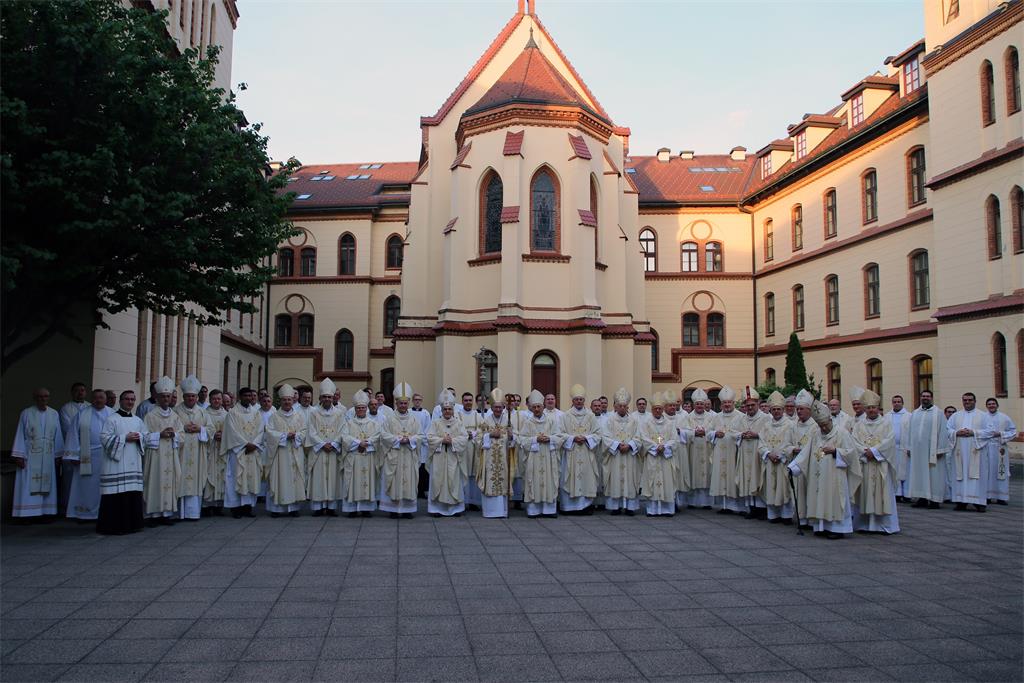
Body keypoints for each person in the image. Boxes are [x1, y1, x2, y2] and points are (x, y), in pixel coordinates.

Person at [788, 400, 862, 539]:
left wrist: (835, 451)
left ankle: (837, 529)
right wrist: (794, 468)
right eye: (820, 425)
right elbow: (806, 453)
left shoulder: (842, 433)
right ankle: (821, 527)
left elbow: (851, 453)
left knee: (834, 500)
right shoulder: (816, 434)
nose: (823, 428)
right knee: (819, 498)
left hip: (835, 476)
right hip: (818, 476)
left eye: (825, 424)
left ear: (830, 420)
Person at [11, 388, 65, 519]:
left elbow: (58, 435)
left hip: (48, 454)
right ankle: (27, 514)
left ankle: (46, 513)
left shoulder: (54, 413)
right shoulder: (26, 413)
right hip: (30, 454)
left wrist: (58, 454)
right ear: (35, 398)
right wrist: (19, 455)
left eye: (46, 396)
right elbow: (20, 433)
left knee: (48, 484)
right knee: (28, 484)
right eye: (40, 396)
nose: (43, 399)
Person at [97, 390, 146, 535]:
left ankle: (133, 525)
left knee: (132, 493)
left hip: (133, 463)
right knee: (116, 495)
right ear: (121, 401)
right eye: (127, 399)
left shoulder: (138, 420)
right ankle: (114, 526)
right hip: (116, 465)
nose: (130, 402)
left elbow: (146, 436)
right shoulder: (112, 419)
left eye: (132, 399)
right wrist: (125, 438)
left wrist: (140, 437)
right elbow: (104, 438)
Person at [851, 390, 899, 534]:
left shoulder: (886, 423)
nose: (871, 410)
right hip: (865, 464)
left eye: (873, 407)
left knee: (882, 494)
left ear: (878, 408)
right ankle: (864, 525)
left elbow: (890, 441)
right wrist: (864, 451)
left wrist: (875, 452)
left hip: (881, 465)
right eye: (868, 408)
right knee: (865, 494)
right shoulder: (859, 425)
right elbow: (854, 441)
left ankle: (883, 525)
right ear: (865, 409)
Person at [63, 389, 114, 521]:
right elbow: (73, 434)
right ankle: (84, 513)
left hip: (107, 455)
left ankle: (105, 513)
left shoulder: (113, 414)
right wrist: (74, 455)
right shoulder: (82, 414)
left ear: (106, 399)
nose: (98, 400)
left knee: (106, 485)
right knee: (86, 487)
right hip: (87, 456)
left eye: (101, 397)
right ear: (91, 399)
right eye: (96, 397)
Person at [142, 376, 184, 525]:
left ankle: (166, 514)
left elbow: (182, 435)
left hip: (170, 456)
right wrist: (159, 435)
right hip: (156, 456)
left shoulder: (175, 416)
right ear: (157, 398)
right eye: (163, 396)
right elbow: (144, 437)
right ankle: (154, 515)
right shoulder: (150, 416)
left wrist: (175, 435)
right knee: (155, 481)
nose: (166, 399)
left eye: (168, 396)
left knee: (170, 482)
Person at [516, 389, 564, 518]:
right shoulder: (528, 423)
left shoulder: (551, 421)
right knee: (533, 481)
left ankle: (549, 510)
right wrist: (535, 439)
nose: (537, 409)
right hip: (534, 458)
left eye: (539, 406)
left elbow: (560, 437)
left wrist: (550, 439)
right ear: (531, 408)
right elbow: (522, 440)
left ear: (543, 407)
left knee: (549, 481)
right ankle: (534, 510)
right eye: (534, 407)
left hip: (549, 457)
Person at [380, 382, 422, 519]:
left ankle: (407, 510)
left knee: (409, 481)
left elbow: (420, 436)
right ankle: (393, 509)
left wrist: (409, 440)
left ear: (408, 403)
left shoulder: (414, 419)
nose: (403, 405)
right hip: (395, 455)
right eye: (401, 403)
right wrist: (398, 440)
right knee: (395, 481)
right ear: (396, 403)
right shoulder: (389, 419)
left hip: (409, 456)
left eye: (405, 403)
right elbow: (383, 435)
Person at [221, 387, 265, 519]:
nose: (248, 398)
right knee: (236, 478)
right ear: (240, 397)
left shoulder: (256, 413)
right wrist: (245, 444)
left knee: (251, 478)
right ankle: (236, 509)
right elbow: (231, 432)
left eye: (250, 396)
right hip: (239, 451)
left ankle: (248, 507)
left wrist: (255, 444)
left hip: (252, 451)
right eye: (245, 396)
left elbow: (261, 430)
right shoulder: (232, 413)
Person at [557, 384, 601, 515]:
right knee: (570, 477)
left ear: (584, 400)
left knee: (586, 478)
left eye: (581, 399)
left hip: (586, 453)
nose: (579, 401)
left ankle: (585, 506)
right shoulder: (565, 416)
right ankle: (569, 507)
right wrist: (573, 438)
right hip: (571, 453)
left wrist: (586, 438)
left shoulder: (591, 416)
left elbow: (598, 434)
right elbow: (559, 434)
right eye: (576, 399)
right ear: (572, 400)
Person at [265, 384, 307, 518]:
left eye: (289, 399)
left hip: (295, 451)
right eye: (284, 400)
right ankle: (276, 509)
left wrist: (296, 436)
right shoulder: (274, 417)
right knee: (280, 478)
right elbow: (269, 433)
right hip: (280, 454)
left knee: (295, 479)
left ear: (293, 400)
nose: (287, 402)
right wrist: (284, 436)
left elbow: (305, 432)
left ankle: (294, 508)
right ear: (280, 401)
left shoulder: (299, 416)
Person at [306, 379, 346, 517]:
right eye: (325, 397)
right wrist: (323, 444)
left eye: (329, 396)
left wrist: (333, 444)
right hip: (319, 451)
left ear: (333, 397)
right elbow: (311, 431)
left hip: (333, 451)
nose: (327, 399)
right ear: (321, 398)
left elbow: (343, 430)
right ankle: (318, 507)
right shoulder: (313, 413)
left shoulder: (339, 413)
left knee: (333, 478)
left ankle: (331, 507)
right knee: (319, 478)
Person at [426, 390, 469, 517]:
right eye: (445, 409)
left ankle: (455, 509)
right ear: (441, 410)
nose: (447, 411)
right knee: (437, 481)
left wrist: (452, 441)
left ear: (453, 410)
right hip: (439, 458)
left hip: (453, 457)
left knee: (454, 481)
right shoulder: (435, 423)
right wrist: (441, 440)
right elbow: (429, 437)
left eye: (449, 409)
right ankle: (436, 509)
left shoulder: (458, 423)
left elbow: (464, 438)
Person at [174, 375, 210, 521]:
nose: (190, 398)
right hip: (181, 452)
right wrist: (183, 428)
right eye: (188, 396)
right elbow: (171, 429)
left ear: (197, 397)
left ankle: (193, 513)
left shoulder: (202, 412)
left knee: (195, 480)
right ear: (183, 396)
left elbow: (211, 429)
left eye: (193, 396)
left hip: (197, 452)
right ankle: (179, 513)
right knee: (180, 478)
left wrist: (200, 429)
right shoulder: (176, 411)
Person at [600, 387, 641, 515]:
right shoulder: (609, 420)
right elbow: (605, 437)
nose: (622, 408)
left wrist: (630, 445)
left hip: (629, 456)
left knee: (630, 479)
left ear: (627, 407)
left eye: (624, 406)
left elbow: (639, 437)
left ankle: (630, 507)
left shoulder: (634, 421)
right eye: (620, 406)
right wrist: (617, 445)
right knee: (615, 479)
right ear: (615, 407)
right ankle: (615, 507)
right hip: (615, 456)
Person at [341, 390, 382, 517]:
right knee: (353, 482)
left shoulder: (374, 424)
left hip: (368, 457)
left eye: (363, 408)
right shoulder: (348, 423)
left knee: (367, 482)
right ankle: (352, 509)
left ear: (366, 409)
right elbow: (344, 437)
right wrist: (359, 443)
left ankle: (366, 509)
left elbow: (378, 437)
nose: (361, 410)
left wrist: (366, 443)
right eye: (358, 408)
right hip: (354, 457)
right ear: (355, 409)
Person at [639, 392, 680, 516]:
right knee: (652, 482)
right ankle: (652, 510)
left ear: (663, 409)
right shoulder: (646, 423)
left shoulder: (669, 424)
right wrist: (656, 447)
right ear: (652, 409)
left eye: (660, 408)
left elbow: (675, 439)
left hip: (666, 458)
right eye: (655, 408)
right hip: (653, 456)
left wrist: (665, 447)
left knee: (667, 482)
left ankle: (667, 509)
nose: (657, 410)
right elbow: (643, 438)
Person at [907, 390, 949, 509]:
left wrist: (940, 449)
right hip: (918, 451)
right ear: (920, 397)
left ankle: (935, 500)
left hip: (932, 451)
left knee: (934, 475)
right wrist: (909, 447)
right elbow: (910, 431)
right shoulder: (915, 413)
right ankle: (922, 498)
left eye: (928, 396)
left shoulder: (938, 413)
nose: (925, 398)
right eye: (923, 396)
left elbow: (943, 432)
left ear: (931, 398)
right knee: (920, 474)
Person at [948, 392, 989, 512]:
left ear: (975, 401)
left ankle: (978, 502)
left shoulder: (983, 416)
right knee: (960, 475)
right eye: (965, 400)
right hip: (959, 450)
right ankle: (961, 501)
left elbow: (990, 431)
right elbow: (947, 429)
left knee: (976, 475)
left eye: (970, 400)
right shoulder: (955, 416)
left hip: (976, 450)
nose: (967, 402)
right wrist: (956, 433)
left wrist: (973, 432)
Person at [759, 391, 794, 524]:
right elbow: (761, 443)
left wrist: (781, 456)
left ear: (783, 410)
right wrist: (768, 453)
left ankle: (786, 516)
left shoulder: (790, 425)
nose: (776, 411)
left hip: (783, 462)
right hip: (770, 461)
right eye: (774, 409)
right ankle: (773, 515)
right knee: (771, 487)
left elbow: (792, 443)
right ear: (770, 410)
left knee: (784, 488)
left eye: (779, 409)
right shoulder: (766, 426)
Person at [477, 388, 512, 518]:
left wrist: (511, 437)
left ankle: (502, 511)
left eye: (500, 407)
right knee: (490, 480)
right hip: (489, 457)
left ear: (503, 407)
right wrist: (489, 435)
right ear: (491, 407)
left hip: (503, 457)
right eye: (495, 407)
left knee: (503, 480)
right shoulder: (485, 421)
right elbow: (478, 438)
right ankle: (490, 511)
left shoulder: (508, 420)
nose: (498, 409)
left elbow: (514, 439)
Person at [709, 386, 745, 513]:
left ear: (733, 403)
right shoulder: (716, 417)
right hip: (720, 451)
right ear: (721, 404)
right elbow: (708, 432)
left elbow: (744, 432)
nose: (727, 405)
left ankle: (737, 506)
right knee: (722, 477)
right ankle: (725, 506)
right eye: (724, 403)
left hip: (734, 451)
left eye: (729, 402)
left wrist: (736, 436)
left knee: (733, 476)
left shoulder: (741, 416)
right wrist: (715, 434)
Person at [736, 387, 769, 519]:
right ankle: (751, 507)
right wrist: (741, 435)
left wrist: (757, 435)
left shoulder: (766, 418)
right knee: (748, 478)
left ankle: (762, 509)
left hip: (758, 453)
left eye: (752, 405)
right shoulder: (741, 419)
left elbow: (770, 434)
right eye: (747, 405)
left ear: (758, 404)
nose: (750, 408)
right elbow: (733, 432)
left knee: (758, 477)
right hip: (745, 453)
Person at [58, 381, 89, 515]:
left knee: (85, 481)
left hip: (88, 449)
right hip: (72, 448)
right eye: (77, 390)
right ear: (72, 392)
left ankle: (84, 507)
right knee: (70, 481)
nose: (80, 393)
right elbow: (68, 428)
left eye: (82, 390)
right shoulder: (66, 408)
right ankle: (68, 507)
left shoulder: (90, 407)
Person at [679, 388, 713, 509]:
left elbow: (715, 430)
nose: (699, 406)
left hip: (707, 449)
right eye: (697, 404)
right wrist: (694, 433)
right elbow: (683, 431)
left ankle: (707, 502)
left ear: (705, 405)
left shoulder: (711, 417)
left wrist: (705, 432)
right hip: (692, 450)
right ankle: (692, 502)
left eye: (701, 404)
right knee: (693, 472)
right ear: (694, 405)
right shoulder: (688, 417)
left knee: (707, 473)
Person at [979, 398, 1015, 505]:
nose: (991, 405)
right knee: (987, 472)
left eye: (993, 404)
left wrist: (1000, 434)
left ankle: (1001, 497)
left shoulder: (1004, 418)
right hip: (986, 447)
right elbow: (978, 431)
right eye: (989, 404)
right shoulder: (982, 417)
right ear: (986, 406)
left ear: (997, 405)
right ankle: (987, 496)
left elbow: (1013, 431)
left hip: (1000, 449)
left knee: (1001, 471)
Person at [456, 392, 483, 509]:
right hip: (462, 449)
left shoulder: (477, 415)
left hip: (474, 447)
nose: (468, 402)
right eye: (466, 400)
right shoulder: (457, 415)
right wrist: (465, 434)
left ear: (473, 402)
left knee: (473, 474)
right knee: (463, 474)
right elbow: (455, 429)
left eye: (470, 400)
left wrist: (475, 434)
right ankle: (462, 501)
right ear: (462, 402)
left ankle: (473, 501)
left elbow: (483, 430)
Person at [203, 390, 229, 514]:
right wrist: (213, 435)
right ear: (210, 399)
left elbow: (231, 431)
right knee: (208, 475)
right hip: (210, 450)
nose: (216, 401)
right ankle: (207, 505)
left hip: (222, 450)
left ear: (222, 400)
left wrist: (224, 435)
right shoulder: (204, 413)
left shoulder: (227, 414)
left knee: (222, 476)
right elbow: (203, 429)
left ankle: (219, 505)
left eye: (218, 399)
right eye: (214, 399)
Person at [888, 395, 911, 502]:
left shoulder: (909, 416)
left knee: (906, 471)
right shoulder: (887, 416)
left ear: (902, 403)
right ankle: (896, 493)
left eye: (898, 401)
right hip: (892, 448)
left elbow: (912, 432)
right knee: (894, 471)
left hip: (905, 448)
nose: (896, 403)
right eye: (895, 402)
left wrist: (910, 447)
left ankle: (906, 494)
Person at [410, 392, 432, 499]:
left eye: (419, 400)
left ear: (421, 401)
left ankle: (421, 491)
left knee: (422, 469)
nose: (417, 401)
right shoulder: (408, 412)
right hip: (411, 444)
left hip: (423, 445)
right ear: (412, 401)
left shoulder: (426, 413)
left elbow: (428, 428)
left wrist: (422, 438)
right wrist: (414, 439)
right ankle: (412, 489)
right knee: (413, 467)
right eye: (416, 399)